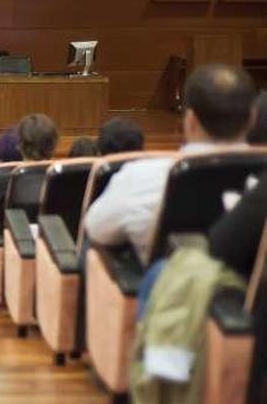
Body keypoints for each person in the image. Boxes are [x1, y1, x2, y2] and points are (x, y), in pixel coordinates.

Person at [84, 64, 258, 265]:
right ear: (252, 118)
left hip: (166, 290)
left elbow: (96, 230)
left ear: (190, 120)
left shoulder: (141, 177)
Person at [0, 113, 58, 226]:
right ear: (54, 145)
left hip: (13, 242)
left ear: (19, 145)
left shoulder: (0, 182)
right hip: (61, 242)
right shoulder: (68, 180)